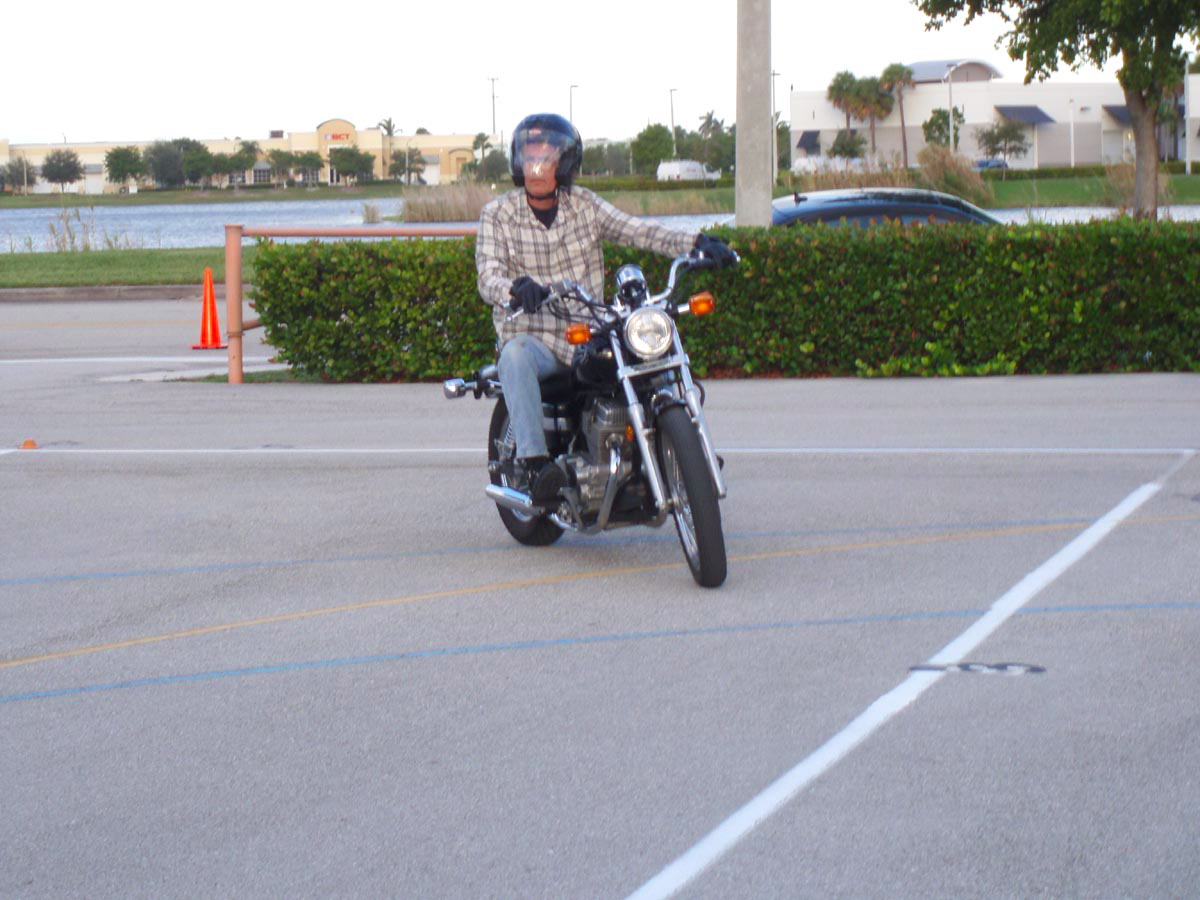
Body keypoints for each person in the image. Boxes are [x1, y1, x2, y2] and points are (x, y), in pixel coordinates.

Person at [476, 112, 735, 506]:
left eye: (545, 158)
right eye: (529, 157)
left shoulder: (585, 205)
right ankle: (535, 466)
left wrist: (697, 243)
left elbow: (637, 230)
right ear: (517, 161)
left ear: (564, 162)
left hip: (590, 330)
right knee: (513, 356)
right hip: (534, 335)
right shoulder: (497, 214)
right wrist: (514, 289)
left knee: (650, 354)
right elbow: (488, 276)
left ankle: (683, 451)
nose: (536, 167)